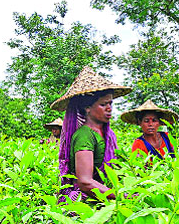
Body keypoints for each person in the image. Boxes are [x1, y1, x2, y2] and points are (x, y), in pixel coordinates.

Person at [51, 66, 132, 203]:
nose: (109, 109)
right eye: (103, 104)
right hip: (84, 202)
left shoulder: (108, 135)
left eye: (110, 103)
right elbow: (85, 182)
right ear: (87, 108)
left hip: (104, 194)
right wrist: (121, 197)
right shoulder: (84, 136)